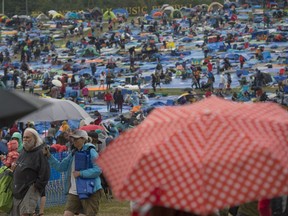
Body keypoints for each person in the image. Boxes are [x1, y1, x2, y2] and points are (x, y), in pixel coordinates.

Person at [46, 130, 102, 216]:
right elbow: (61, 167)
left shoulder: (91, 151)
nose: (74, 141)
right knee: (67, 214)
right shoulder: (73, 153)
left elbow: (98, 169)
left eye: (76, 139)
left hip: (90, 190)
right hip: (74, 191)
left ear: (83, 139)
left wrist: (81, 173)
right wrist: (49, 156)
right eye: (73, 139)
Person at [10, 128, 50, 216]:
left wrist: (37, 186)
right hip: (18, 189)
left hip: (30, 189)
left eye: (28, 137)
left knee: (25, 214)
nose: (25, 139)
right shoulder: (23, 151)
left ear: (35, 138)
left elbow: (45, 172)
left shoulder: (40, 152)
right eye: (24, 137)